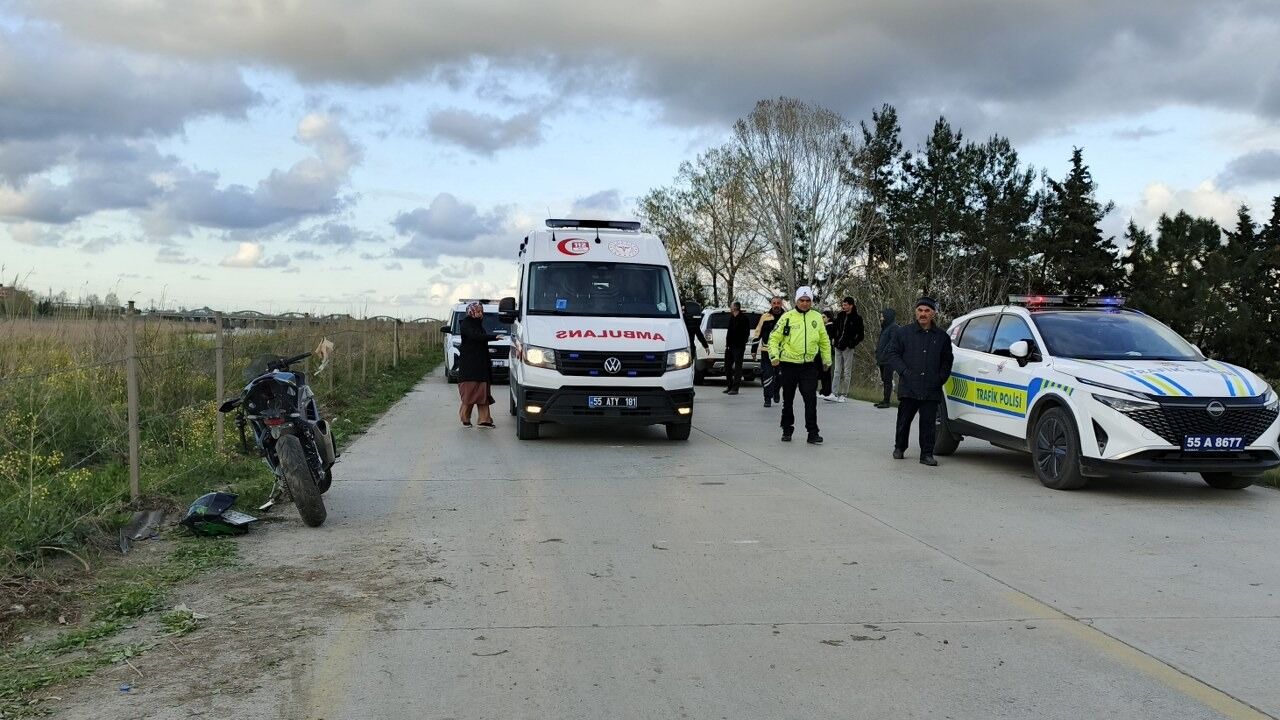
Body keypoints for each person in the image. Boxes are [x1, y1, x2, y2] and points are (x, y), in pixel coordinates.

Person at [884, 297, 953, 465]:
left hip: (931, 387)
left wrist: (940, 378)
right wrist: (904, 372)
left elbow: (947, 361)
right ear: (916, 312)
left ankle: (927, 454)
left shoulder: (942, 337)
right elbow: (892, 354)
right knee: (904, 420)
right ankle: (900, 447)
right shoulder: (903, 333)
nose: (923, 314)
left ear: (933, 314)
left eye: (927, 311)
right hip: (909, 386)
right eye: (920, 310)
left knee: (928, 423)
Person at [768, 286, 832, 444]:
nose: (804, 303)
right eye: (801, 300)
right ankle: (787, 429)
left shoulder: (816, 317)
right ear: (796, 301)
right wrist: (774, 356)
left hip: (808, 365)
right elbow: (774, 338)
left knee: (810, 399)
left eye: (808, 300)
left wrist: (827, 360)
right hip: (789, 364)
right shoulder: (787, 317)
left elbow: (824, 341)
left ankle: (813, 432)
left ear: (811, 302)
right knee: (788, 399)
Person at [457, 302, 498, 429]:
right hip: (470, 367)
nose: (480, 314)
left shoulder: (478, 324)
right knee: (469, 393)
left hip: (481, 366)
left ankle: (484, 420)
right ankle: (465, 418)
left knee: (483, 394)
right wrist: (494, 337)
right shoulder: (466, 324)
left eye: (481, 311)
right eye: (478, 311)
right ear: (471, 312)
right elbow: (476, 336)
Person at [829, 297, 865, 402]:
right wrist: (833, 338)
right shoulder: (840, 315)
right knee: (836, 370)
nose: (843, 307)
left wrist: (852, 343)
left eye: (845, 305)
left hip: (848, 349)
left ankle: (844, 394)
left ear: (851, 305)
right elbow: (834, 328)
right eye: (843, 305)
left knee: (847, 372)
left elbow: (861, 335)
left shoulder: (857, 318)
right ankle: (834, 393)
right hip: (838, 346)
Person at [753, 296, 785, 407]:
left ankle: (776, 391)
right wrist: (753, 349)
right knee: (767, 374)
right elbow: (758, 332)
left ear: (781, 304)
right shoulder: (765, 317)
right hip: (766, 351)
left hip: (782, 352)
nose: (776, 305)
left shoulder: (787, 317)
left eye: (778, 303)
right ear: (771, 304)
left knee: (780, 375)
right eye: (774, 303)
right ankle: (767, 398)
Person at [722, 301, 751, 395]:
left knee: (738, 367)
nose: (730, 308)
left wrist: (742, 343)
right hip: (729, 346)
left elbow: (746, 333)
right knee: (727, 366)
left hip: (738, 347)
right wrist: (727, 344)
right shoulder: (731, 318)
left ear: (735, 307)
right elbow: (729, 332)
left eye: (731, 306)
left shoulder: (744, 318)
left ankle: (735, 388)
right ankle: (729, 385)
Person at [874, 308, 898, 409]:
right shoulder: (885, 328)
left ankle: (887, 401)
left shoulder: (894, 328)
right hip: (882, 359)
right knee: (884, 380)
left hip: (888, 359)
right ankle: (884, 399)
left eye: (882, 316)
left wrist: (885, 353)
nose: (881, 318)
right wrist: (878, 353)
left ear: (888, 316)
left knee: (888, 380)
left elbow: (892, 343)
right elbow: (881, 342)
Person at [818, 309, 837, 401]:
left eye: (824, 317)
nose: (822, 319)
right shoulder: (824, 327)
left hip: (828, 351)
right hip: (822, 351)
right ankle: (824, 390)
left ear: (828, 318)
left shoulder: (830, 327)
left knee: (827, 372)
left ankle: (827, 391)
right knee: (823, 371)